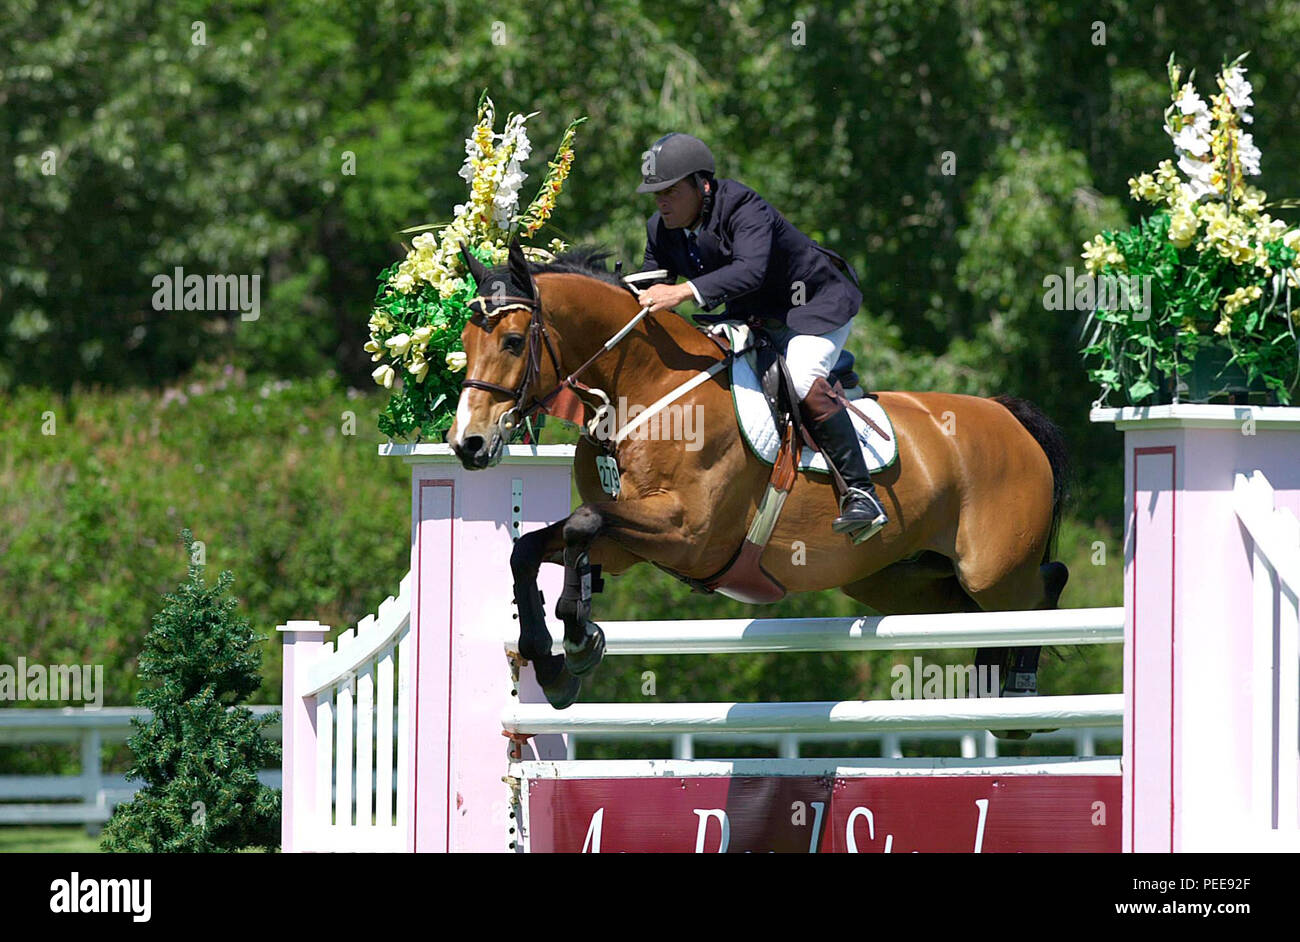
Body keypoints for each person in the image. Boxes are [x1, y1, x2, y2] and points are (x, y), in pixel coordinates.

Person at [634, 132, 888, 542]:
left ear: (702, 184)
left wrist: (682, 292)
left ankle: (862, 495)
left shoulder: (743, 207)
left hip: (815, 306)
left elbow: (749, 270)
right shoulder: (661, 229)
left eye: (670, 192)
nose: (661, 202)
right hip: (755, 318)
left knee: (804, 380)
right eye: (655, 194)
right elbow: (649, 283)